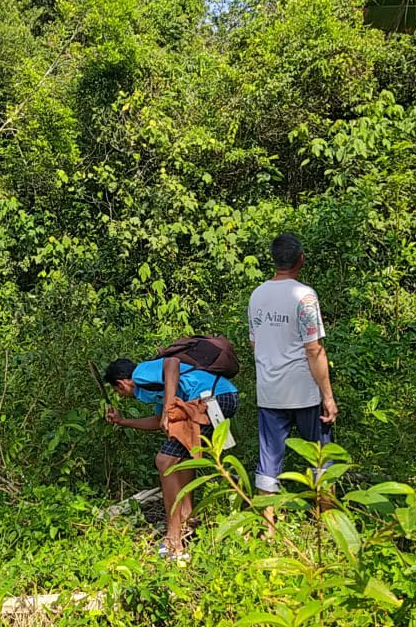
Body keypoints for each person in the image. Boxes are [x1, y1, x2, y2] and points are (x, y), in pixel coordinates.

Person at [104, 355, 239, 559]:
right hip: (218, 398)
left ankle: (173, 536)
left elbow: (172, 363)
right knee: (181, 457)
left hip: (213, 397)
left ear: (122, 383)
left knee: (165, 460)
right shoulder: (153, 389)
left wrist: (169, 408)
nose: (121, 396)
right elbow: (159, 421)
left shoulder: (140, 374)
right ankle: (187, 521)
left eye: (117, 391)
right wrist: (123, 421)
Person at [248, 233, 337, 517]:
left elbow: (254, 341)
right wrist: (328, 396)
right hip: (305, 391)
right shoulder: (305, 296)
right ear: (301, 259)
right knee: (321, 458)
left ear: (274, 259)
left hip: (270, 391)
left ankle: (267, 529)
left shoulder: (257, 295)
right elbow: (314, 349)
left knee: (269, 460)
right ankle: (328, 522)